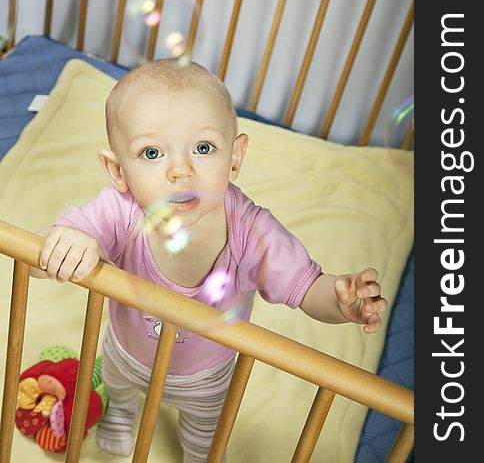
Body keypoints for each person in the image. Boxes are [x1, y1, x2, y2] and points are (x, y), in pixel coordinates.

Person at [33, 59, 388, 462]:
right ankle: (118, 425)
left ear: (234, 158)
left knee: (203, 441)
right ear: (118, 171)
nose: (181, 170)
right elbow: (37, 257)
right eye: (151, 152)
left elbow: (307, 288)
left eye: (203, 148)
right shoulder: (121, 211)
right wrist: (67, 242)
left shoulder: (250, 231)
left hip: (205, 377)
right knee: (120, 394)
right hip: (126, 353)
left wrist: (340, 301)